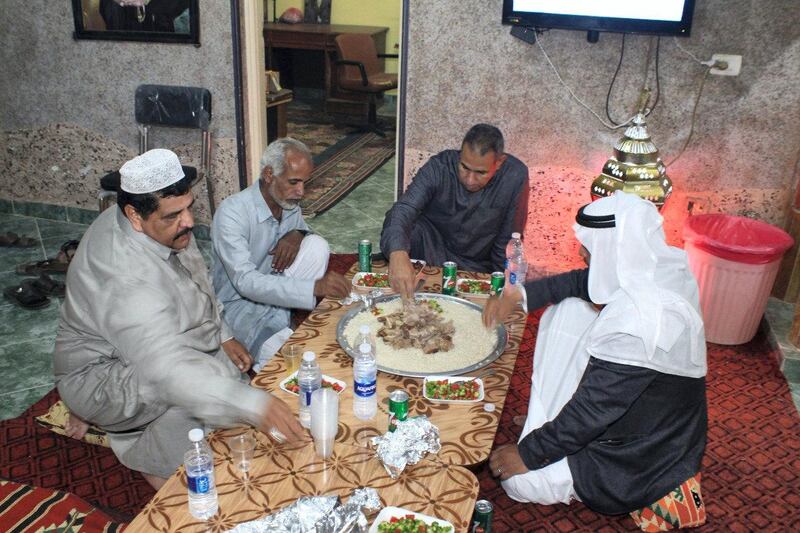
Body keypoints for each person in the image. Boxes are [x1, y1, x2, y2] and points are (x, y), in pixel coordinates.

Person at [54, 149, 304, 490]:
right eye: (175, 214)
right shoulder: (123, 275)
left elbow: (197, 278)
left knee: (226, 374)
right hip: (102, 372)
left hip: (140, 339)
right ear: (134, 215)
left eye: (190, 207)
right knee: (203, 386)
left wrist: (223, 334)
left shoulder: (163, 224)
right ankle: (145, 454)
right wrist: (255, 405)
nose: (188, 221)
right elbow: (166, 370)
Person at [484, 191, 707, 530]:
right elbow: (581, 281)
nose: (581, 251)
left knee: (519, 483)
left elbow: (595, 410)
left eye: (589, 245)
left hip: (638, 447)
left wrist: (529, 454)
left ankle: (563, 449)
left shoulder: (640, 322)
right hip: (631, 406)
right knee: (572, 306)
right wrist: (519, 298)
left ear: (615, 246)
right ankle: (551, 415)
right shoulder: (659, 265)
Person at [211, 138, 349, 369]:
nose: (301, 192)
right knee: (300, 367)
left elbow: (305, 230)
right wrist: (313, 288)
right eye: (294, 182)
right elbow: (245, 282)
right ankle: (268, 340)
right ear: (268, 175)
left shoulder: (287, 204)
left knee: (316, 245)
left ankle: (285, 321)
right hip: (239, 307)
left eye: (305, 182)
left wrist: (297, 233)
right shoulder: (232, 213)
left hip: (275, 293)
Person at [380, 124, 529, 299]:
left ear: (499, 162)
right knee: (403, 226)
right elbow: (405, 208)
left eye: (481, 172)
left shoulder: (514, 176)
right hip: (430, 251)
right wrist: (397, 253)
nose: (470, 179)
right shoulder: (439, 166)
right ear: (460, 155)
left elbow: (508, 239)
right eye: (464, 167)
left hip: (476, 265)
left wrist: (500, 289)